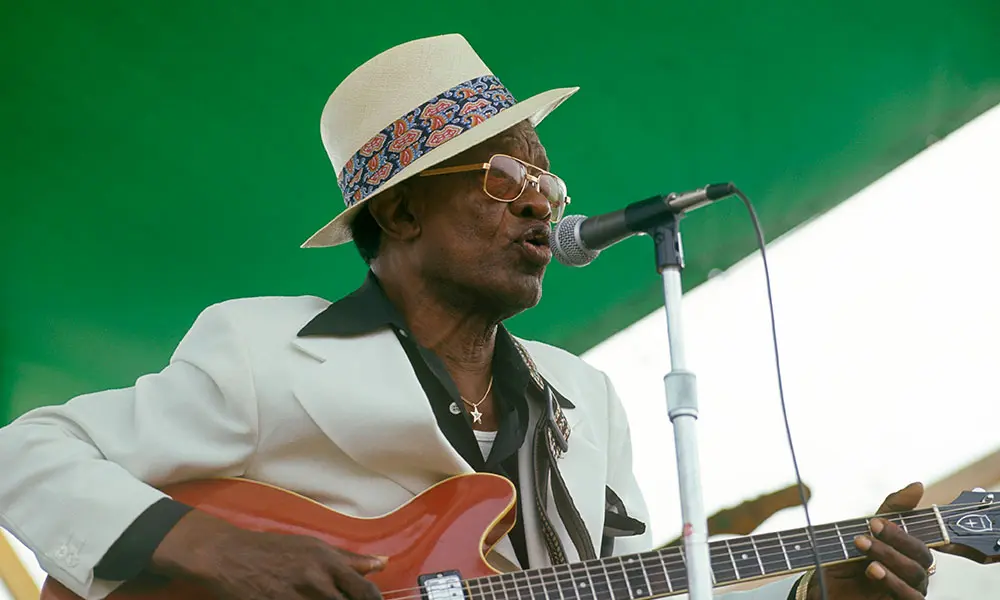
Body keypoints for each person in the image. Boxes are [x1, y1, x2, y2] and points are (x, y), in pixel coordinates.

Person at [0, 34, 944, 600]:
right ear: (401, 212)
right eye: (503, 176)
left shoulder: (586, 397)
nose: (540, 202)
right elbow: (22, 454)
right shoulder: (262, 349)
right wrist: (209, 546)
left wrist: (821, 587)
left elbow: (636, 585)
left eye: (546, 177)